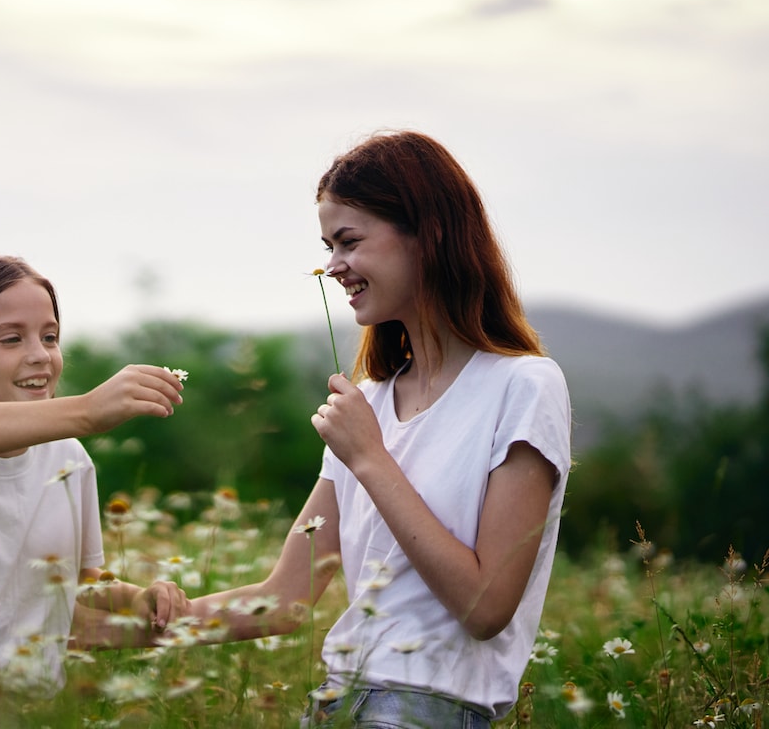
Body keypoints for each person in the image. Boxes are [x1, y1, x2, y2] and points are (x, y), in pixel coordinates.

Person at [182, 131, 572, 727]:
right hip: (338, 703)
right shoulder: (368, 403)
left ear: (427, 234)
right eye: (328, 245)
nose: (334, 266)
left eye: (350, 241)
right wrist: (137, 625)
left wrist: (369, 457)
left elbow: (486, 606)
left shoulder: (523, 387)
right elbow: (287, 597)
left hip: (422, 710)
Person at [0, 252, 188, 690]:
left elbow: (79, 583)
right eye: (11, 340)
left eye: (49, 337)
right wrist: (87, 411)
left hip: (35, 703)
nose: (40, 356)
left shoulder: (69, 457)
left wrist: (140, 598)